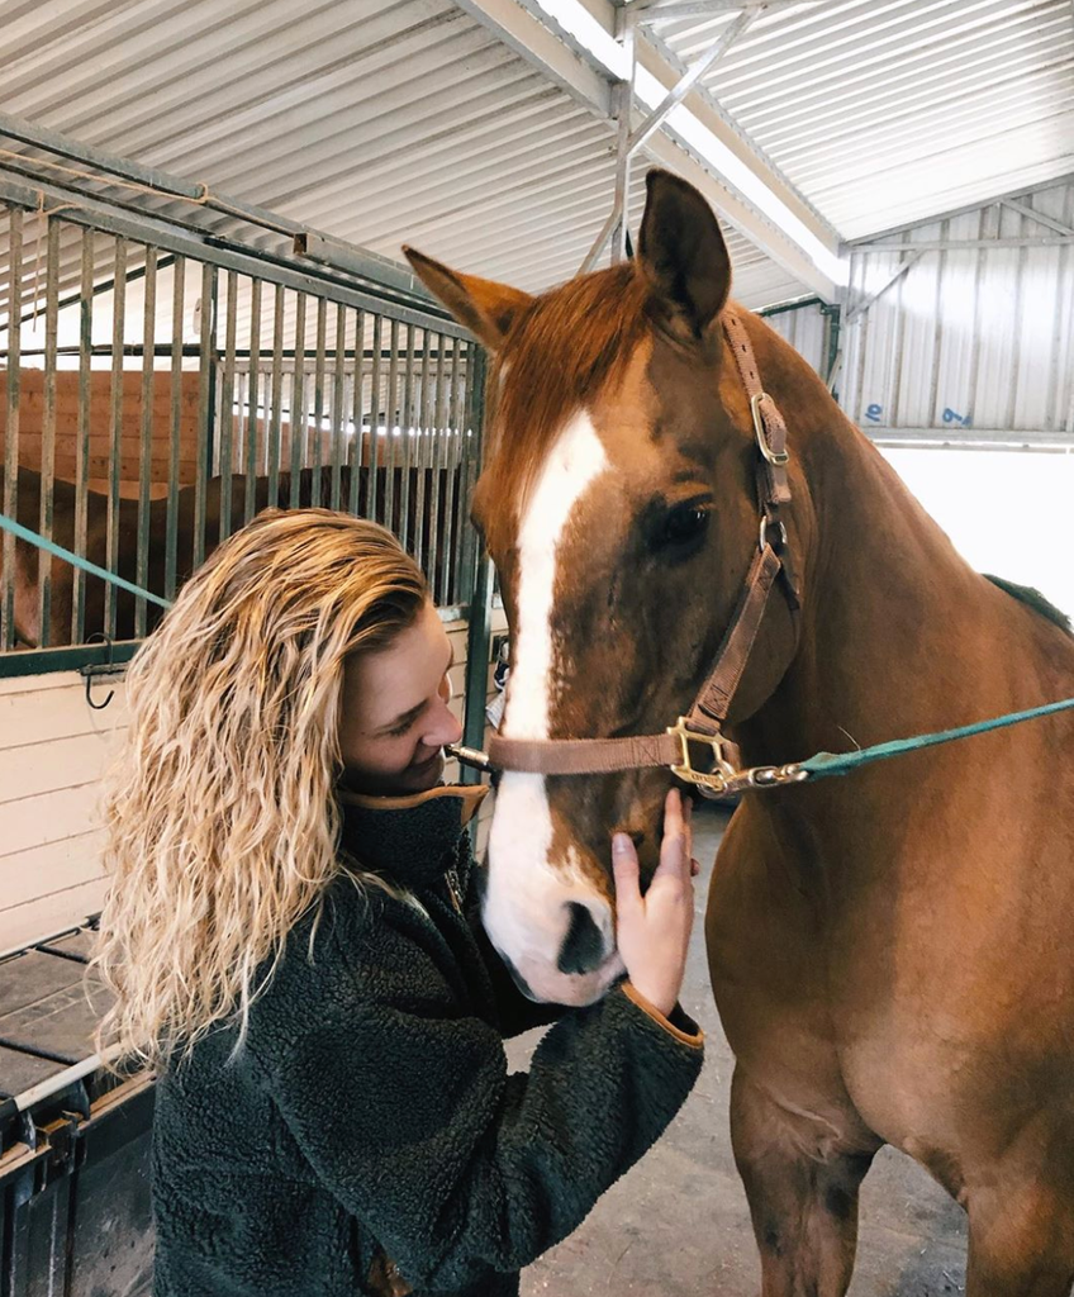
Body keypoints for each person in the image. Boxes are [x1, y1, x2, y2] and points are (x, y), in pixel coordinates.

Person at [93, 507, 702, 1297]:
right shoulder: (321, 970)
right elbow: (481, 1218)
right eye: (403, 722)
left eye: (448, 682)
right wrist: (640, 1015)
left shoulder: (282, 851)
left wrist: (573, 928)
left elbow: (426, 976)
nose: (450, 726)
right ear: (301, 752)